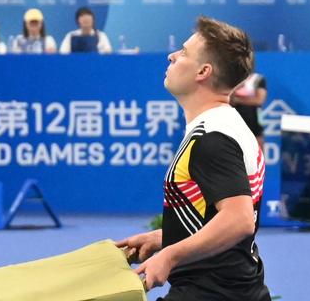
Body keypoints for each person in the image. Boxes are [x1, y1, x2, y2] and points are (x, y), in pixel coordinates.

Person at [114, 18, 269, 299]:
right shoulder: (226, 125)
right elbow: (216, 216)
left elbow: (240, 219)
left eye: (184, 52)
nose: (172, 56)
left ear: (203, 71)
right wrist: (166, 237)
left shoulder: (212, 139)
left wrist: (172, 254)